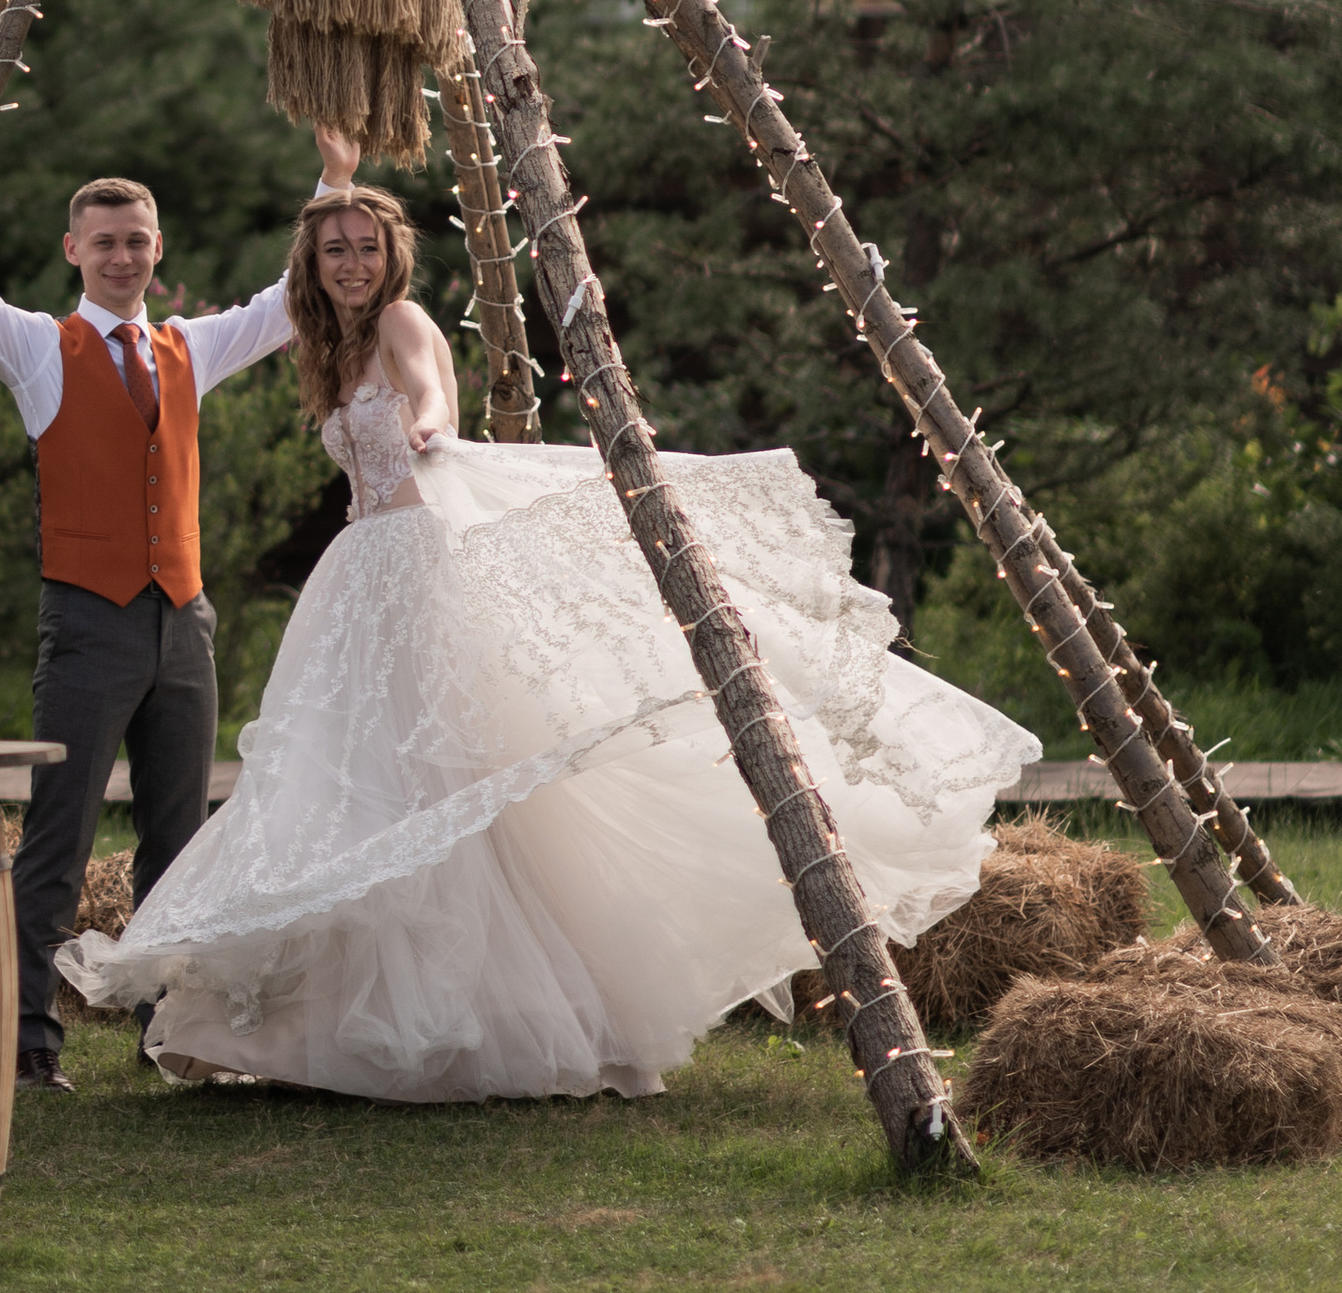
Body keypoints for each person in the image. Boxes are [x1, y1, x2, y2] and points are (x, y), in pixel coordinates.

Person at [61, 183, 1038, 1099]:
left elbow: (430, 387)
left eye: (364, 247)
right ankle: (295, 1024)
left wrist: (430, 428)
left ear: (388, 255)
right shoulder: (328, 340)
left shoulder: (399, 321)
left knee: (424, 786)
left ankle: (455, 1018)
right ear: (311, 266)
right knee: (348, 787)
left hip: (410, 564)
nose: (351, 263)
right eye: (333, 250)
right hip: (360, 573)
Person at [0, 59, 360, 1089]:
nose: (121, 255)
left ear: (158, 251)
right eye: (103, 241)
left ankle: (172, 1034)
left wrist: (334, 180)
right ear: (74, 251)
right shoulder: (39, 348)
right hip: (87, 623)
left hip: (183, 624)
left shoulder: (186, 348)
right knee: (56, 843)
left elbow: (286, 304)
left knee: (178, 842)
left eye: (136, 240)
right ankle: (28, 1047)